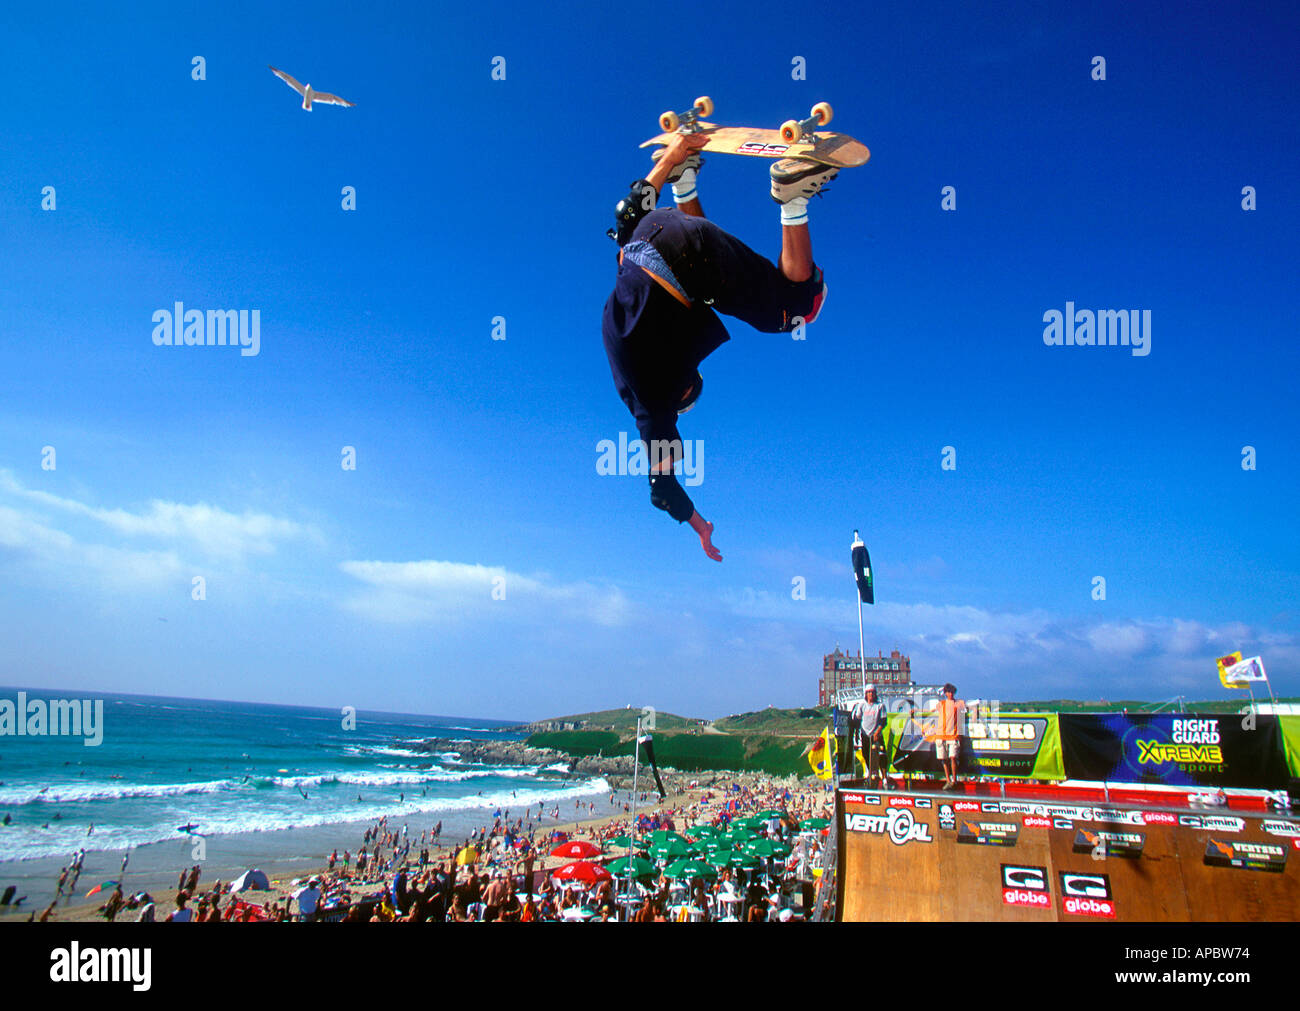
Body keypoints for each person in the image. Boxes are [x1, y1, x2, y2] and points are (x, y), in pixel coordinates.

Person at [602, 131, 839, 561]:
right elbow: (628, 213)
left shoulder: (653, 406)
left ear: (681, 392)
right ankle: (685, 179)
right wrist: (675, 153)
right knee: (701, 284)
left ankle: (793, 194)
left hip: (688, 258)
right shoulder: (617, 330)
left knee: (796, 309)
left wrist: (700, 528)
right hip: (656, 232)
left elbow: (663, 491)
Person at [851, 686, 888, 788]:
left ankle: (885, 778)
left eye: (872, 692)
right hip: (865, 735)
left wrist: (877, 733)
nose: (871, 694)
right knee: (866, 755)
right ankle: (872, 775)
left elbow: (883, 721)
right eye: (869, 692)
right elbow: (857, 720)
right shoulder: (862, 705)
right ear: (866, 694)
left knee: (881, 755)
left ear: (875, 694)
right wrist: (856, 735)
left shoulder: (880, 706)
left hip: (876, 735)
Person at [933, 683, 966, 790]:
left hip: (953, 735)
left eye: (952, 692)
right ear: (945, 693)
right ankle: (948, 780)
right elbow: (930, 712)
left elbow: (968, 710)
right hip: (941, 735)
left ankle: (954, 780)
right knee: (944, 759)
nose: (950, 694)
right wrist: (916, 712)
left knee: (953, 757)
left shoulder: (959, 703)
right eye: (948, 692)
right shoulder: (941, 703)